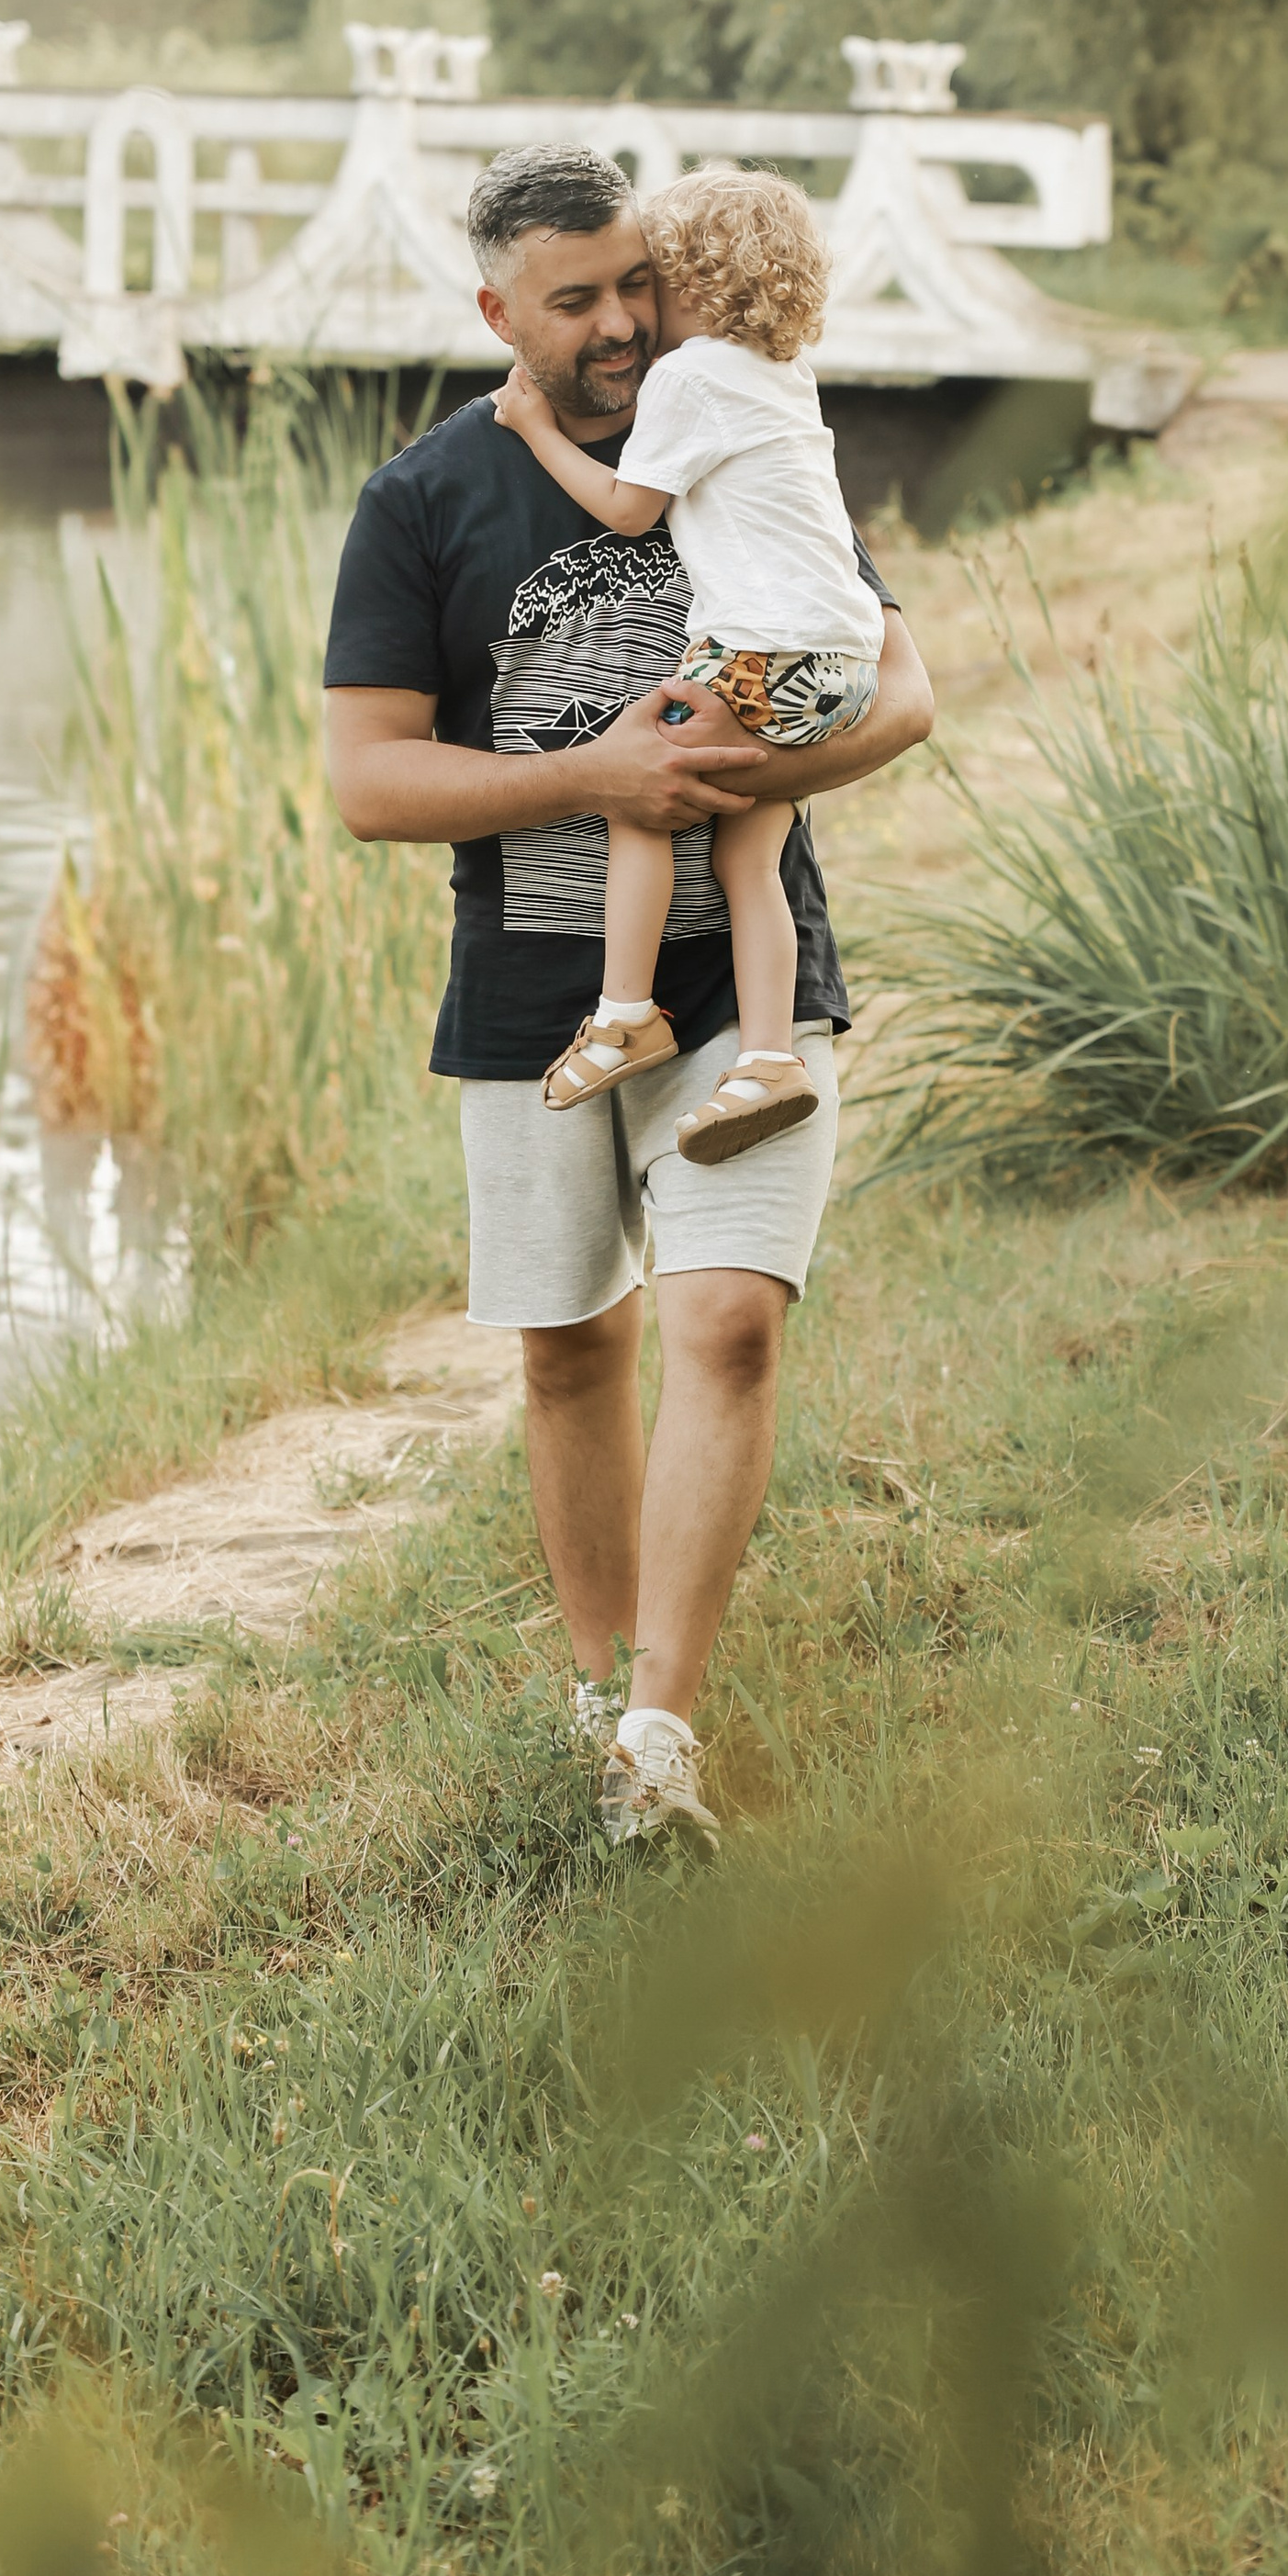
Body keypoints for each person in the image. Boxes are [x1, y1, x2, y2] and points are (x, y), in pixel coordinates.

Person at [321, 145, 934, 1850]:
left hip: (749, 984)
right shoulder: (425, 499)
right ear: (496, 308)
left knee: (725, 1319)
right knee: (571, 1353)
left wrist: (751, 764)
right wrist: (597, 777)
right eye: (575, 297)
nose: (616, 323)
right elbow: (370, 783)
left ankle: (663, 1735)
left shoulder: (741, 417)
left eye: (633, 286)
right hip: (536, 989)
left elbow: (901, 690)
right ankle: (607, 1713)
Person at [488, 165, 884, 1168]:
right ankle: (767, 1060)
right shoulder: (783, 371)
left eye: (649, 281)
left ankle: (625, 1013)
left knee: (639, 792)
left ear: (695, 286)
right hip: (842, 663)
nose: (632, 313)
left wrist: (535, 426)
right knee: (747, 857)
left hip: (761, 652)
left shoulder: (690, 375)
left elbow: (627, 509)